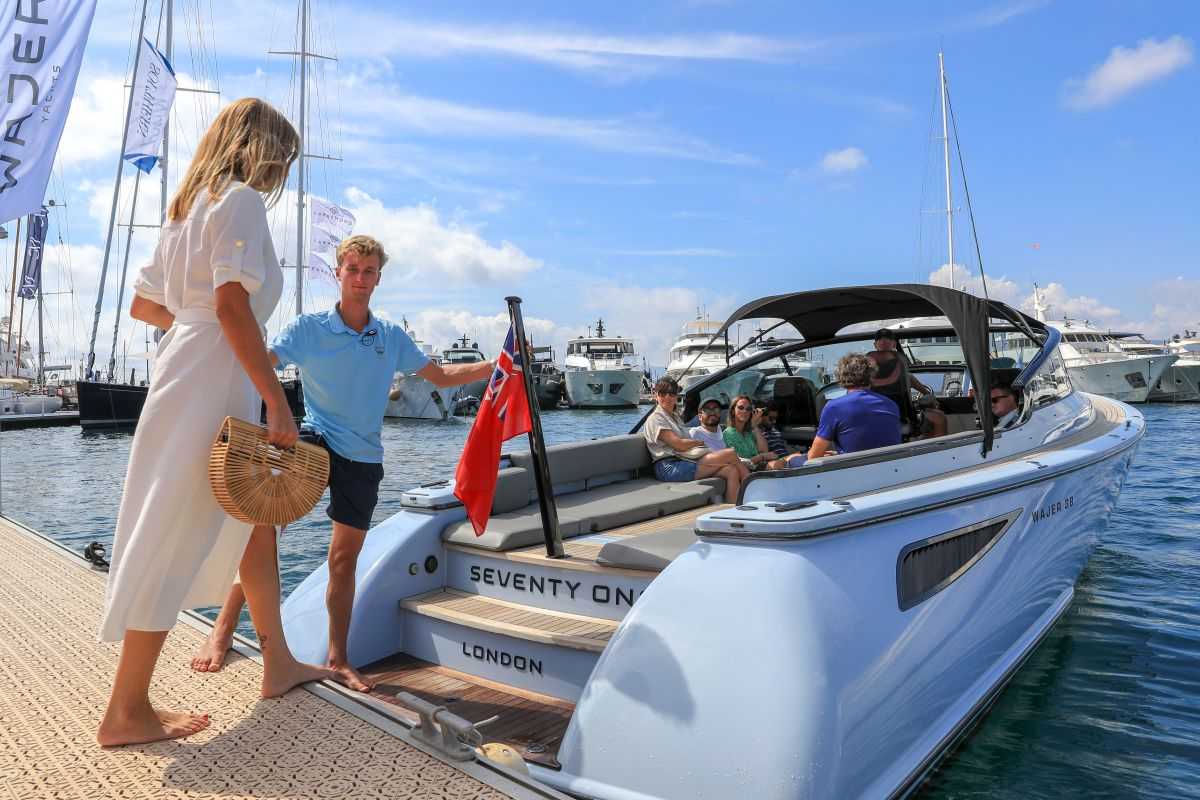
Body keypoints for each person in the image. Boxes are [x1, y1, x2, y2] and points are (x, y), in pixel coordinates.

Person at [98, 98, 329, 747]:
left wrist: (195, 327)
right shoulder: (240, 200)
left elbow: (146, 305)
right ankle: (126, 710)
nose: (281, 171)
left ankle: (278, 663)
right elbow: (232, 306)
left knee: (248, 517)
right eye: (281, 156)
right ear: (261, 148)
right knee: (174, 528)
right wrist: (277, 400)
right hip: (215, 374)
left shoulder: (185, 208)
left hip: (188, 364)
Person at [191, 235, 496, 693]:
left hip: (363, 455)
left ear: (378, 278)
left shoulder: (390, 337)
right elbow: (258, 359)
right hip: (314, 441)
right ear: (338, 273)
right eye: (352, 269)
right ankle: (224, 629)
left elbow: (439, 375)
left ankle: (338, 658)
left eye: (368, 271)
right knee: (263, 529)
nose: (360, 278)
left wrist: (495, 366)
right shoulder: (308, 329)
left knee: (343, 559)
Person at [643, 377, 748, 503]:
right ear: (656, 395)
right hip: (668, 467)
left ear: (676, 396)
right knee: (730, 453)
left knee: (731, 470)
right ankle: (755, 485)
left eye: (671, 393)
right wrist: (699, 442)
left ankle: (733, 508)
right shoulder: (656, 419)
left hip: (684, 460)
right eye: (662, 393)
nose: (667, 397)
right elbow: (679, 444)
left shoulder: (674, 417)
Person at [807, 353, 901, 460]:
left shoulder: (834, 407)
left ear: (841, 377)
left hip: (853, 466)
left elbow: (813, 457)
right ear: (871, 376)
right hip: (890, 465)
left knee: (793, 458)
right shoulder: (891, 404)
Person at [871, 328, 947, 438]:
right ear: (894, 344)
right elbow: (924, 391)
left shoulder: (866, 371)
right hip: (903, 422)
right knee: (939, 416)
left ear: (875, 345)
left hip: (875, 420)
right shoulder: (903, 368)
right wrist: (929, 396)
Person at [724, 395, 788, 470]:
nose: (745, 411)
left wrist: (754, 426)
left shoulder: (749, 433)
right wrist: (761, 457)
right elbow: (738, 463)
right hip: (746, 471)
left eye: (748, 409)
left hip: (758, 467)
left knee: (785, 462)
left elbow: (764, 450)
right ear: (732, 411)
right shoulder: (728, 434)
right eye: (740, 408)